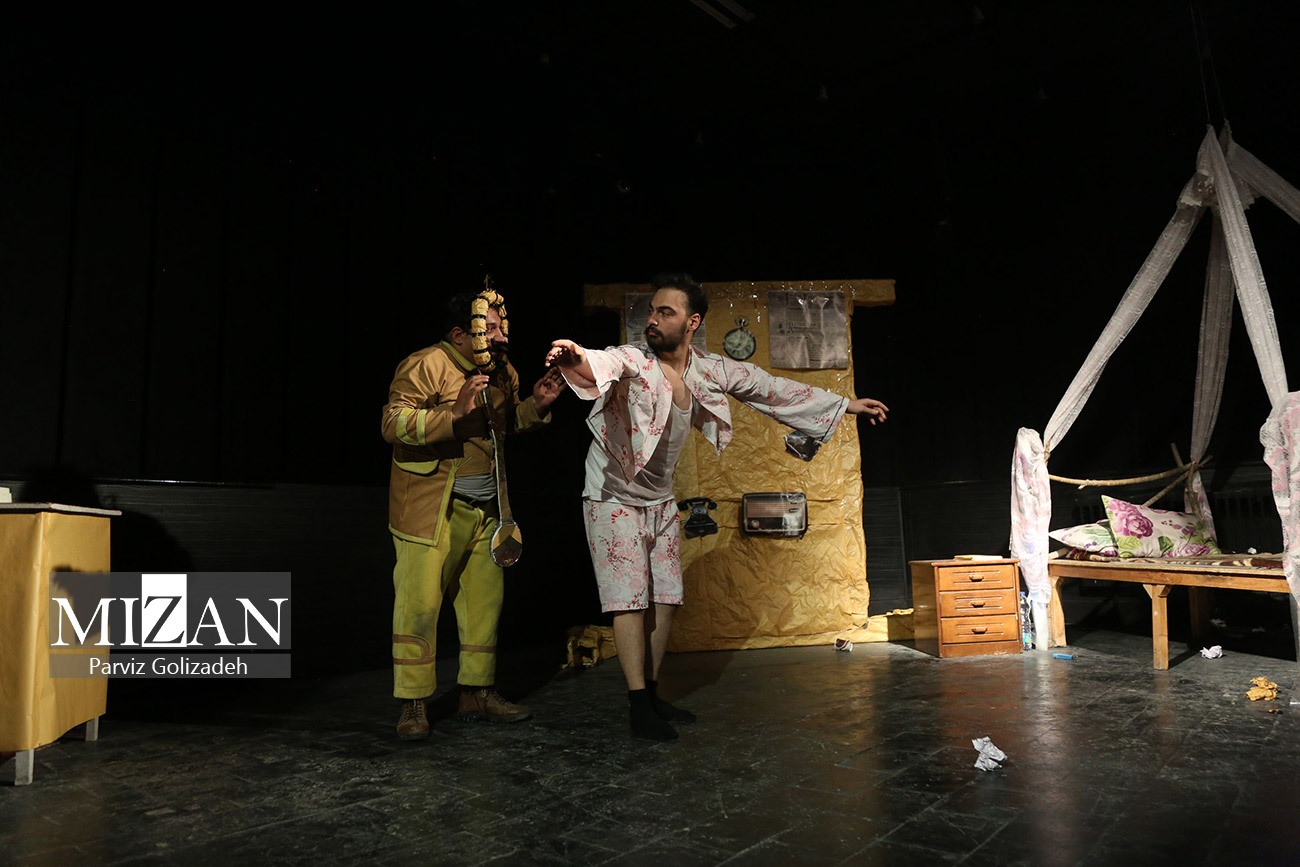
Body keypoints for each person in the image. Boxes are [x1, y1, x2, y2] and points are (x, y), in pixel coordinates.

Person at [545, 273, 888, 741]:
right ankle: (636, 703)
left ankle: (652, 692)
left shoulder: (707, 370)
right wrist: (575, 355)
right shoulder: (634, 360)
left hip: (658, 498)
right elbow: (600, 362)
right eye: (652, 311)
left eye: (666, 312)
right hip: (612, 495)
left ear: (692, 322)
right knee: (629, 599)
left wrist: (845, 404)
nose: (653, 319)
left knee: (667, 597)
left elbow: (768, 387)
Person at [382, 287, 565, 740]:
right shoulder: (426, 364)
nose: (501, 335)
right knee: (419, 607)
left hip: (487, 511)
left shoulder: (503, 373)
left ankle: (476, 692)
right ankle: (413, 701)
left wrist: (535, 406)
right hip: (432, 512)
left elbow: (504, 428)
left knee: (485, 605)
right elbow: (392, 423)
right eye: (491, 327)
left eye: (502, 326)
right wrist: (451, 414)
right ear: (461, 333)